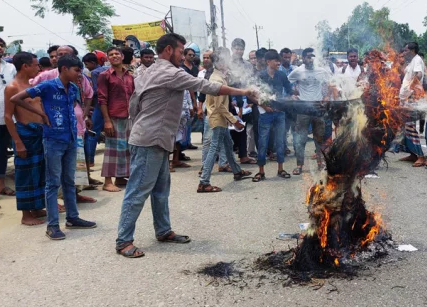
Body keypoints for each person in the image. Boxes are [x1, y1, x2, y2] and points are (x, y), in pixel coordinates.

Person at [115, 33, 256, 258]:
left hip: (155, 138)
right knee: (138, 190)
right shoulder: (169, 72)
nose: (183, 56)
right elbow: (206, 86)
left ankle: (163, 230)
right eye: (181, 51)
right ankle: (123, 241)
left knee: (161, 189)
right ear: (169, 50)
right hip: (150, 139)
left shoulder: (149, 71)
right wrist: (244, 92)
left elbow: (134, 104)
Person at [10, 55, 98, 240]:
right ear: (64, 68)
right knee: (52, 183)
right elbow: (16, 98)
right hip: (53, 140)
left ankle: (72, 218)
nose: (79, 74)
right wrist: (41, 114)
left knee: (68, 180)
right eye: (76, 70)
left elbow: (72, 108)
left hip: (71, 139)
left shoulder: (73, 88)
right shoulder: (47, 86)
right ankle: (52, 225)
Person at [198, 47, 251, 192]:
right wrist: (234, 121)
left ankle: (237, 171)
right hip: (217, 117)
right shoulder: (217, 80)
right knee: (213, 148)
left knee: (228, 144)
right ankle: (203, 182)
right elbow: (220, 106)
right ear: (220, 63)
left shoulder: (220, 77)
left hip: (218, 116)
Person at [4, 52, 47, 224]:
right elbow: (8, 116)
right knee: (25, 174)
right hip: (25, 134)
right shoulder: (12, 87)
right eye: (36, 65)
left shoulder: (32, 85)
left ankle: (36, 207)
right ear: (25, 66)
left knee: (39, 171)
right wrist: (17, 141)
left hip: (39, 132)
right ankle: (25, 215)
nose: (38, 68)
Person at [287, 48, 331, 175]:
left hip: (318, 108)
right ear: (303, 58)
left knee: (319, 138)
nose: (310, 59)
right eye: (307, 56)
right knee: (301, 139)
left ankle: (320, 163)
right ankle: (299, 165)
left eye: (312, 56)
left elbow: (331, 83)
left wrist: (326, 97)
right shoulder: (298, 71)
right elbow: (287, 83)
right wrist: (293, 95)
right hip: (302, 108)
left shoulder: (322, 71)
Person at [98, 47, 134, 193]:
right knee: (112, 149)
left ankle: (120, 177)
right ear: (108, 58)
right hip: (113, 116)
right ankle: (107, 181)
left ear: (122, 56)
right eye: (111, 54)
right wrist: (107, 121)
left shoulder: (129, 75)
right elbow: (102, 99)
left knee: (126, 148)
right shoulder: (104, 75)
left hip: (129, 116)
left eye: (117, 54)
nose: (114, 56)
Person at [253, 49, 293, 182]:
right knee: (263, 142)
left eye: (279, 60)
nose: (278, 62)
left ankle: (280, 169)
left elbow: (289, 90)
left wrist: (290, 98)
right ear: (268, 61)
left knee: (280, 141)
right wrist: (264, 106)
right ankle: (261, 171)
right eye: (276, 60)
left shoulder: (281, 75)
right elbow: (253, 94)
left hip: (280, 113)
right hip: (265, 114)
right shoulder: (260, 76)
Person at [0, 35, 16, 209]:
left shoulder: (11, 67)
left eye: (1, 45)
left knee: (2, 152)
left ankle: (0, 184)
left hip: (8, 117)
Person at [398, 42, 427, 167]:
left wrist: (410, 90)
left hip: (412, 98)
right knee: (405, 128)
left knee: (410, 127)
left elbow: (419, 74)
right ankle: (413, 154)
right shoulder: (411, 61)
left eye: (406, 50)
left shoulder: (417, 60)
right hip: (405, 98)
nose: (404, 52)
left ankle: (421, 156)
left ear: (412, 50)